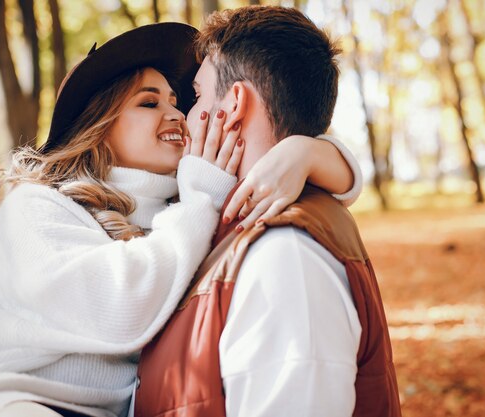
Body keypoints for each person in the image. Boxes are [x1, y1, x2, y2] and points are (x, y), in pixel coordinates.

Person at [0, 22, 363, 417]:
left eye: (176, 101)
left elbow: (287, 135)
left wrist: (305, 152)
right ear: (97, 125)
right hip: (13, 402)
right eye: (149, 103)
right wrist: (201, 199)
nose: (177, 114)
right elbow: (121, 308)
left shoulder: (184, 208)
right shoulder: (37, 208)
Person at [135, 6, 402, 417]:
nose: (187, 116)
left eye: (197, 94)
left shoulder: (285, 258)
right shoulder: (234, 227)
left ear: (235, 103)